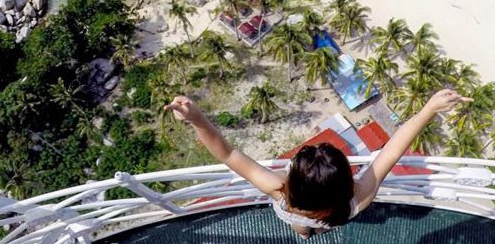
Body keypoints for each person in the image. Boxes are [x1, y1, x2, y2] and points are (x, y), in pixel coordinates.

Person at [164, 88, 471, 238]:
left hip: (295, 216)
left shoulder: (278, 191)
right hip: (332, 218)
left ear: (292, 182)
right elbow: (392, 150)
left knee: (301, 229)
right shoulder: (359, 198)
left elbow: (228, 154)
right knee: (320, 228)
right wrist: (429, 109)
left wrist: (197, 119)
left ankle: (304, 236)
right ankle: (316, 233)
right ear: (347, 181)